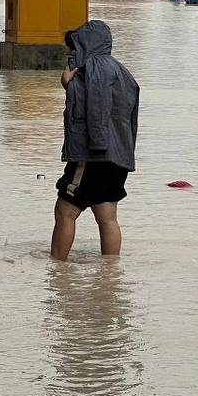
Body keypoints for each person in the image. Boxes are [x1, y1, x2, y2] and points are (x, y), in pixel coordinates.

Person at [52, 20, 140, 261]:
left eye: (74, 47)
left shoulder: (93, 68)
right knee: (107, 217)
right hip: (118, 156)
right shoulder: (122, 71)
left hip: (94, 154)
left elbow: (95, 108)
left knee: (64, 212)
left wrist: (68, 85)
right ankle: (110, 272)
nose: (72, 53)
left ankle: (57, 270)